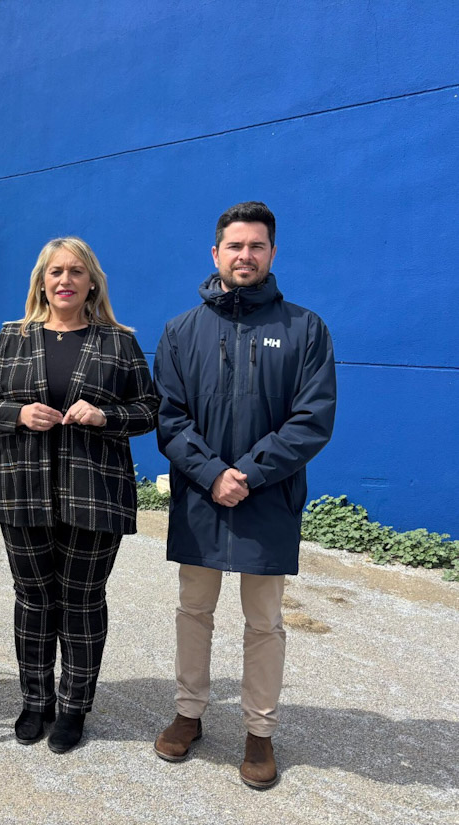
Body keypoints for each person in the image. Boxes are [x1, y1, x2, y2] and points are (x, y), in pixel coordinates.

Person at [152, 201, 336, 788]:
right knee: (194, 610)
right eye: (235, 246)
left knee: (264, 622)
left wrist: (249, 475)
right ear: (216, 253)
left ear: (273, 253)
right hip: (201, 498)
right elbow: (169, 419)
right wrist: (212, 474)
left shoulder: (305, 329)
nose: (245, 255)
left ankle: (260, 731)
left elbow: (312, 420)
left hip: (269, 498)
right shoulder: (181, 331)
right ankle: (189, 713)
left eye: (257, 246)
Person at [0, 237, 158, 753]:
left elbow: (149, 408)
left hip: (95, 492)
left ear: (91, 282)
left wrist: (104, 415)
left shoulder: (119, 342)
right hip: (22, 490)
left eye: (76, 271)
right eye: (56, 272)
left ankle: (73, 708)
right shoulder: (12, 337)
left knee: (82, 600)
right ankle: (36, 701)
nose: (65, 280)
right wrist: (17, 413)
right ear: (42, 281)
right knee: (33, 599)